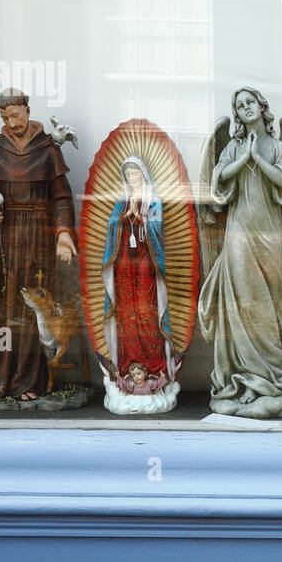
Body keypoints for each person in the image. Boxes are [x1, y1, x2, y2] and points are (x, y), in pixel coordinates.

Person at [0, 90, 76, 401]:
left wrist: (63, 233)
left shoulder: (48, 149)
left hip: (38, 237)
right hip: (3, 240)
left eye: (15, 115)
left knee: (31, 311)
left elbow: (61, 197)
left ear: (27, 110)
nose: (11, 122)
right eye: (4, 118)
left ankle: (28, 381)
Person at [197, 88, 282, 416]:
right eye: (239, 105)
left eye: (250, 102)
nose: (245, 108)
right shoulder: (232, 146)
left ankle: (268, 374)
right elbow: (217, 183)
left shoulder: (276, 146)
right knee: (243, 298)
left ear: (262, 107)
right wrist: (243, 157)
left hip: (269, 232)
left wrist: (258, 157)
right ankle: (246, 377)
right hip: (239, 231)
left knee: (268, 300)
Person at [99, 156, 177, 393]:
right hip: (124, 262)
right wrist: (125, 215)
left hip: (145, 261)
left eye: (135, 173)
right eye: (128, 175)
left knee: (146, 309)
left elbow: (157, 227)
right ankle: (127, 366)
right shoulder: (122, 201)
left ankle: (154, 365)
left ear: (143, 174)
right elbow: (113, 225)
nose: (132, 178)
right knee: (126, 311)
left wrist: (139, 216)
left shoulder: (153, 200)